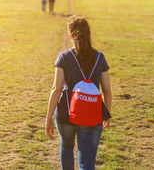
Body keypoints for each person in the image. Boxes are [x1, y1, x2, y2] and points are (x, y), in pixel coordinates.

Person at [45, 16, 112, 170]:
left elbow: (56, 89)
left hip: (65, 114)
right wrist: (106, 114)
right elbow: (107, 91)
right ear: (89, 35)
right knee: (87, 163)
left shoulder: (64, 57)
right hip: (92, 116)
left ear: (70, 36)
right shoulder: (100, 58)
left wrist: (48, 118)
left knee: (67, 148)